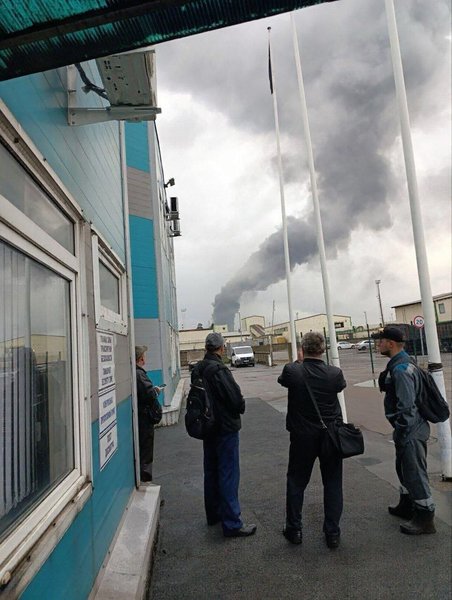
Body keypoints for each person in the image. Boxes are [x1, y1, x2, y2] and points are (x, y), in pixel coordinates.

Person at [278, 332, 346, 548]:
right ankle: (332, 533)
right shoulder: (334, 373)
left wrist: (299, 361)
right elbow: (339, 386)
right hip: (330, 435)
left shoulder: (293, 371)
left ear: (303, 349)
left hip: (302, 436)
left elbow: (283, 380)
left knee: (296, 482)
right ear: (323, 349)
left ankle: (294, 529)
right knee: (333, 483)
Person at [191, 332, 256, 538]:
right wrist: (241, 405)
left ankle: (214, 514)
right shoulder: (219, 369)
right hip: (224, 428)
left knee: (211, 471)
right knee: (228, 473)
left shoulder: (199, 368)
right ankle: (232, 523)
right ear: (221, 348)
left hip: (207, 427)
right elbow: (234, 399)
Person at [377, 326, 435, 534]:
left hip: (411, 429)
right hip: (409, 428)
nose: (378, 344)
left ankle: (425, 517)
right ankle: (407, 504)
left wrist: (402, 431)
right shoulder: (402, 363)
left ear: (391, 344)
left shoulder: (401, 369)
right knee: (404, 468)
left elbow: (407, 406)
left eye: (380, 341)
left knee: (414, 472)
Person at [135, 345, 163, 482]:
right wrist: (156, 390)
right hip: (144, 419)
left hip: (141, 417)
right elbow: (149, 394)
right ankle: (145, 478)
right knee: (146, 450)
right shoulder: (139, 375)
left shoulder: (135, 373)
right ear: (141, 359)